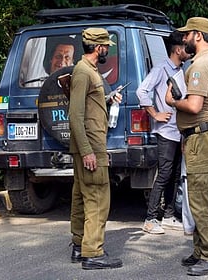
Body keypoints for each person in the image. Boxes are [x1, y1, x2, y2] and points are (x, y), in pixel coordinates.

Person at [165, 17, 208, 277]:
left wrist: (171, 100)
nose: (184, 40)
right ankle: (201, 251)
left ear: (198, 36)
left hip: (203, 138)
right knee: (205, 195)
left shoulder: (201, 65)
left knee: (202, 200)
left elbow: (194, 106)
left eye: (187, 35)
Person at [68, 27, 123, 270]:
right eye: (106, 47)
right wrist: (88, 150)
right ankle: (92, 252)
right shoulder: (83, 72)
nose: (107, 50)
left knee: (81, 197)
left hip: (88, 143)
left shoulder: (89, 71)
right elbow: (75, 115)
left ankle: (80, 246)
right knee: (98, 198)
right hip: (91, 144)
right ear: (98, 47)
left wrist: (108, 99)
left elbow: (88, 106)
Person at [137, 30, 190, 235]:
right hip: (166, 132)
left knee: (175, 175)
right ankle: (150, 219)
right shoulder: (161, 69)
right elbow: (141, 91)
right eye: (186, 47)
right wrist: (154, 113)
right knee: (164, 174)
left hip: (179, 131)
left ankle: (168, 216)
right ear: (177, 49)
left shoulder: (183, 69)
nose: (189, 51)